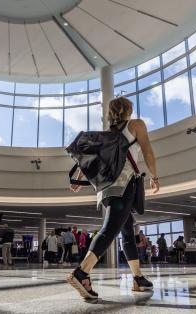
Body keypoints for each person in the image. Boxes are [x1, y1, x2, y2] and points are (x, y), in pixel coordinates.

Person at [67, 97, 160, 299]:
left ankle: (137, 278)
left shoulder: (109, 135)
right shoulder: (136, 125)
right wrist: (154, 176)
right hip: (124, 186)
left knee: (127, 232)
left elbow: (93, 160)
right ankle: (81, 272)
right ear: (128, 110)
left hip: (106, 188)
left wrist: (78, 179)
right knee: (110, 229)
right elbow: (148, 151)